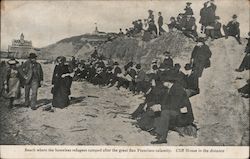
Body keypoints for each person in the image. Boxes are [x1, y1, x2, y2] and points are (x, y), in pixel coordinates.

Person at [151, 78, 194, 144]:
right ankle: (159, 132)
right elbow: (165, 102)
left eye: (164, 82)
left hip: (183, 115)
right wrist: (158, 106)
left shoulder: (177, 89)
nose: (162, 83)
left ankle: (163, 138)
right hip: (176, 111)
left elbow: (175, 105)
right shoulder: (169, 89)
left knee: (165, 113)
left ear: (169, 82)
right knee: (158, 111)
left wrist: (161, 107)